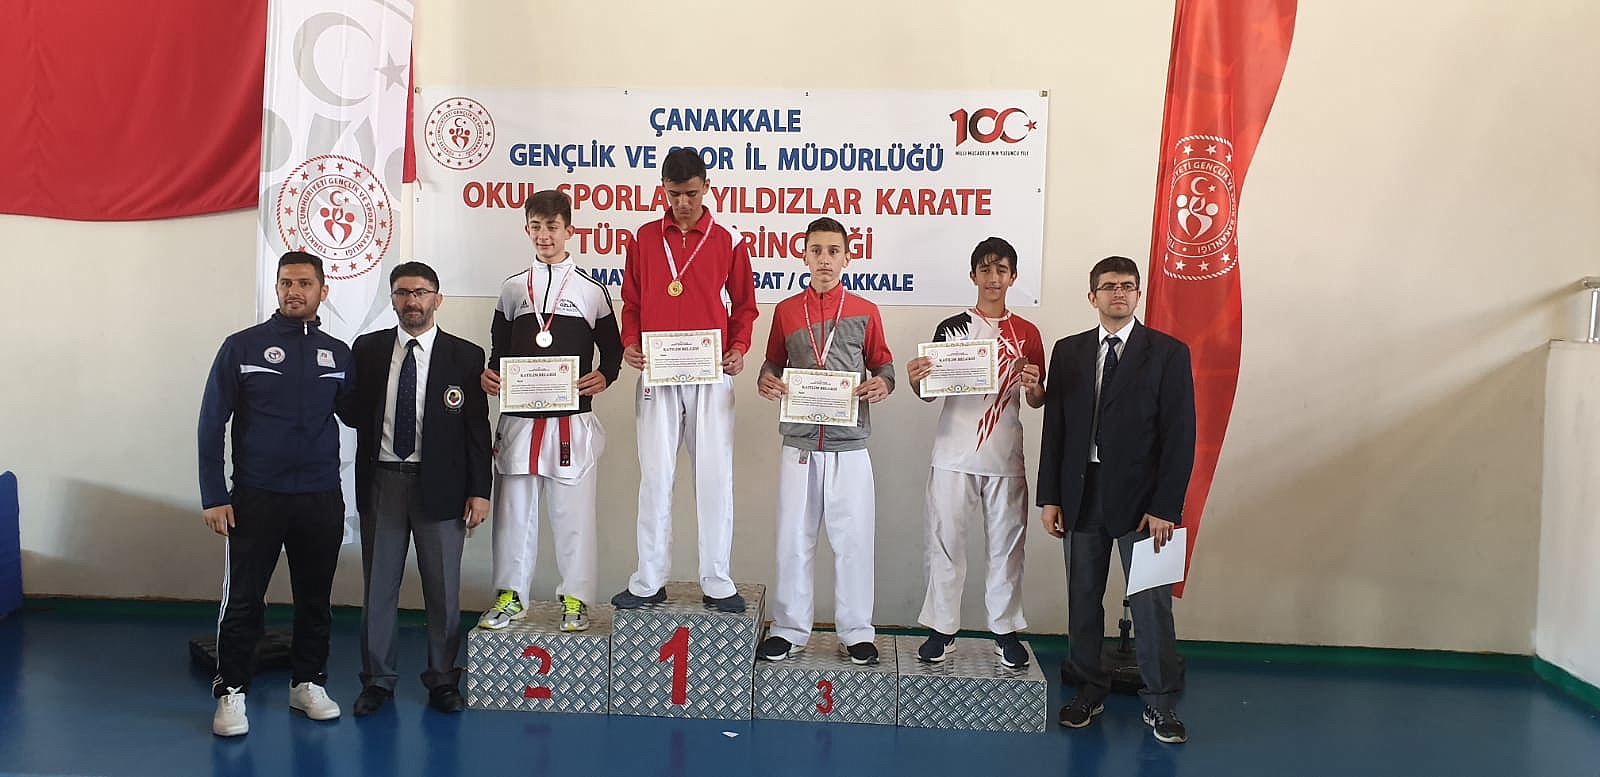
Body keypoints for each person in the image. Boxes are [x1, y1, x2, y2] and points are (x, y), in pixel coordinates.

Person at [1037, 255, 1196, 744]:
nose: (1119, 293)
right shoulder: (1069, 351)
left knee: (1151, 605)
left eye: (1128, 286)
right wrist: (1050, 497)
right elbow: (1056, 429)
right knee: (1083, 600)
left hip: (1147, 504)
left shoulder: (1168, 353)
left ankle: (1160, 702)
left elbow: (1181, 435)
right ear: (1092, 297)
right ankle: (1088, 690)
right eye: (1109, 286)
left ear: (1138, 294)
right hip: (1081, 493)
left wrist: (1166, 506)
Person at [198, 251, 352, 736]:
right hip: (256, 496)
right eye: (286, 282)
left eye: (304, 283)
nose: (294, 291)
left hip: (320, 496)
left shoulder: (338, 353)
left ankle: (307, 682)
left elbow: (358, 414)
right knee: (244, 600)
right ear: (277, 288)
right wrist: (213, 494)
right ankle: (231, 691)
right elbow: (211, 422)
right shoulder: (242, 347)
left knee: (315, 599)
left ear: (322, 291)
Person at [612, 148, 759, 613]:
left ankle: (717, 580)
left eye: (691, 194)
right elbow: (632, 302)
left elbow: (745, 305)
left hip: (710, 373)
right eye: (674, 194)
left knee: (714, 476)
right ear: (663, 189)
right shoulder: (643, 239)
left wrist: (739, 347)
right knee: (655, 477)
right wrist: (629, 342)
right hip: (657, 371)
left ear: (707, 187)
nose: (682, 203)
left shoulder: (729, 240)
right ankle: (648, 580)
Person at [346, 261, 492, 716]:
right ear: (392, 299)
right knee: (379, 588)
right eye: (403, 293)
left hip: (442, 485)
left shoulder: (465, 356)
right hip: (383, 482)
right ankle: (377, 680)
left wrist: (480, 490)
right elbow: (351, 411)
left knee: (443, 591)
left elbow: (476, 429)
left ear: (437, 299)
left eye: (421, 292)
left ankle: (443, 679)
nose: (412, 301)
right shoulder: (368, 349)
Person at [478, 190, 623, 634]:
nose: (544, 235)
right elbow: (498, 351)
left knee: (572, 514)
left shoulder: (591, 290)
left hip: (570, 422)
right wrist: (490, 376)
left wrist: (606, 375)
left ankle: (575, 598)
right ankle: (510, 595)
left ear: (569, 230)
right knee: (513, 514)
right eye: (536, 227)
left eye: (553, 227)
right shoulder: (512, 288)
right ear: (527, 229)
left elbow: (613, 350)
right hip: (520, 422)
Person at [754, 217, 894, 665]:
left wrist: (883, 384)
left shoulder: (866, 310)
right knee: (793, 539)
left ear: (848, 257)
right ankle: (789, 628)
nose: (825, 260)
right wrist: (765, 379)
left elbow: (884, 366)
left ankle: (856, 631)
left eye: (834, 251)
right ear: (804, 255)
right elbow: (772, 363)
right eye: (816, 250)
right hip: (799, 443)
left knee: (853, 540)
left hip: (848, 444)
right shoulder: (786, 311)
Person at [905, 237, 1046, 669]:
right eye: (985, 270)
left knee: (1007, 548)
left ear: (1013, 277)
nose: (993, 278)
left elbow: (1038, 397)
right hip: (953, 454)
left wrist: (1035, 387)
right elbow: (929, 392)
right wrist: (916, 380)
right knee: (945, 543)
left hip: (1005, 456)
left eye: (1001, 270)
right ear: (973, 276)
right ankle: (942, 629)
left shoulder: (1028, 333)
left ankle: (1004, 631)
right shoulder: (951, 328)